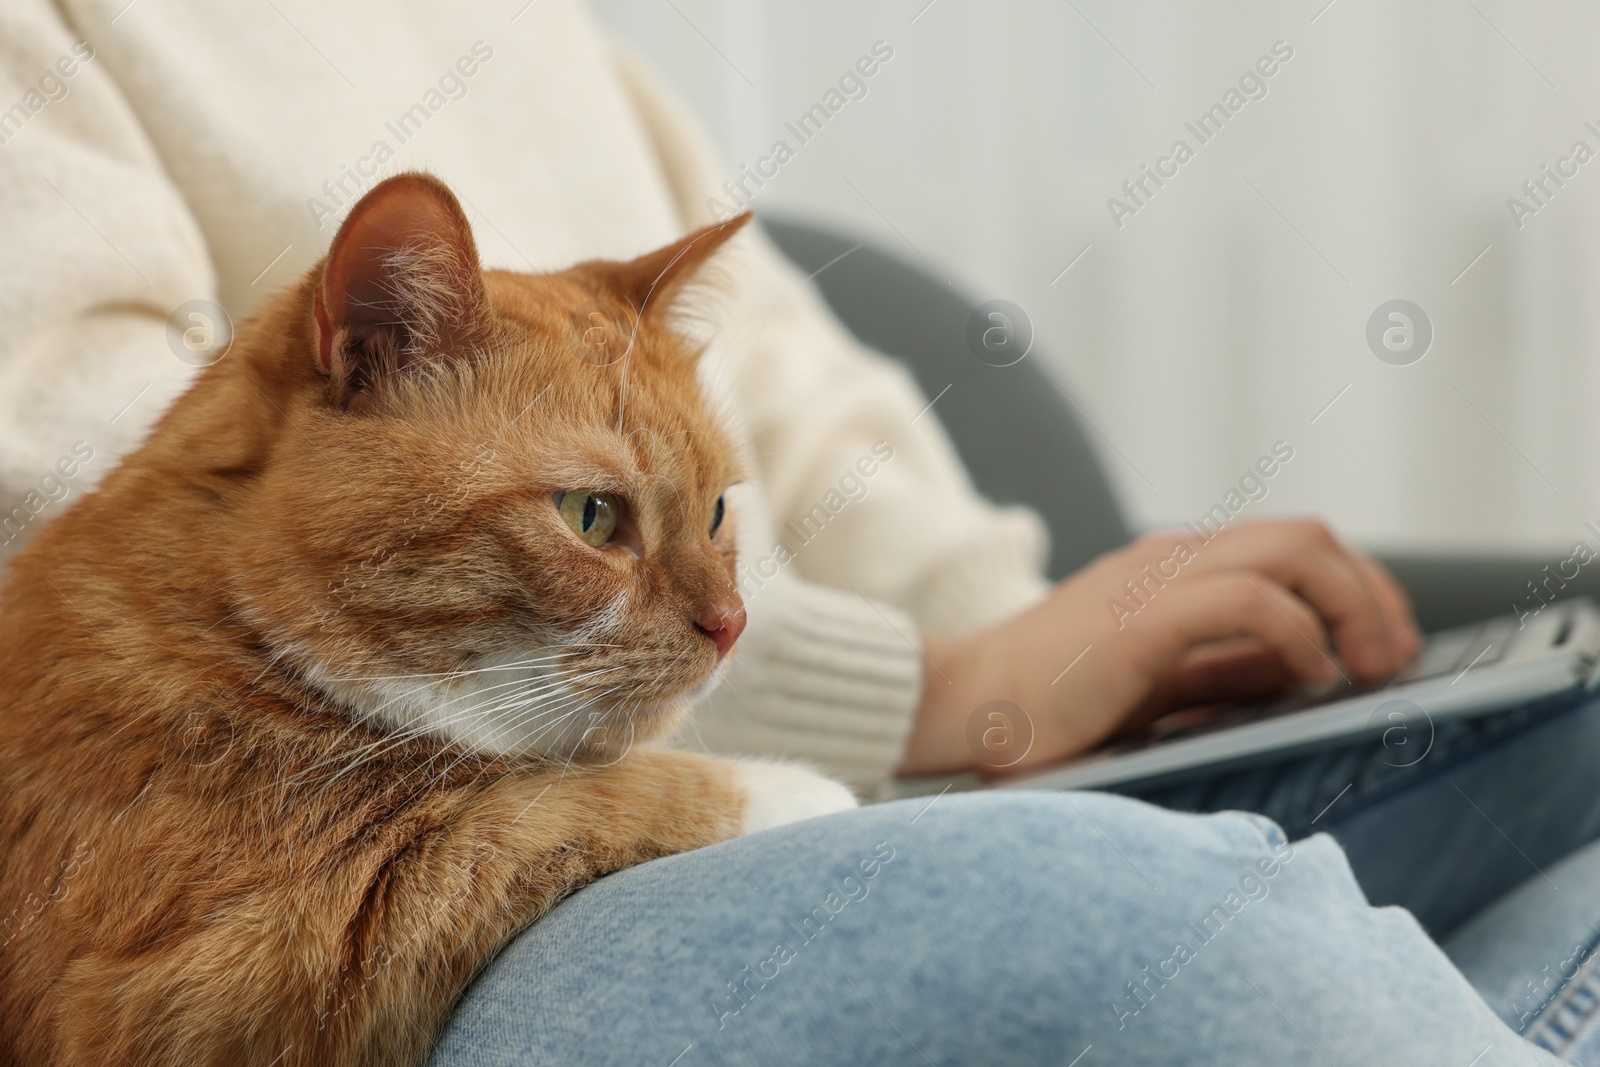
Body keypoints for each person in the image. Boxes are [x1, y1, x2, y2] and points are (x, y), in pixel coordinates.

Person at [1, 1, 1596, 1062]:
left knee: (1576, 754)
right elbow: (84, 483)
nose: (721, 611)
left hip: (848, 744)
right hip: (422, 839)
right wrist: (906, 693)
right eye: (607, 521)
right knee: (1214, 921)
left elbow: (769, 380)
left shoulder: (537, 25)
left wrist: (1037, 652)